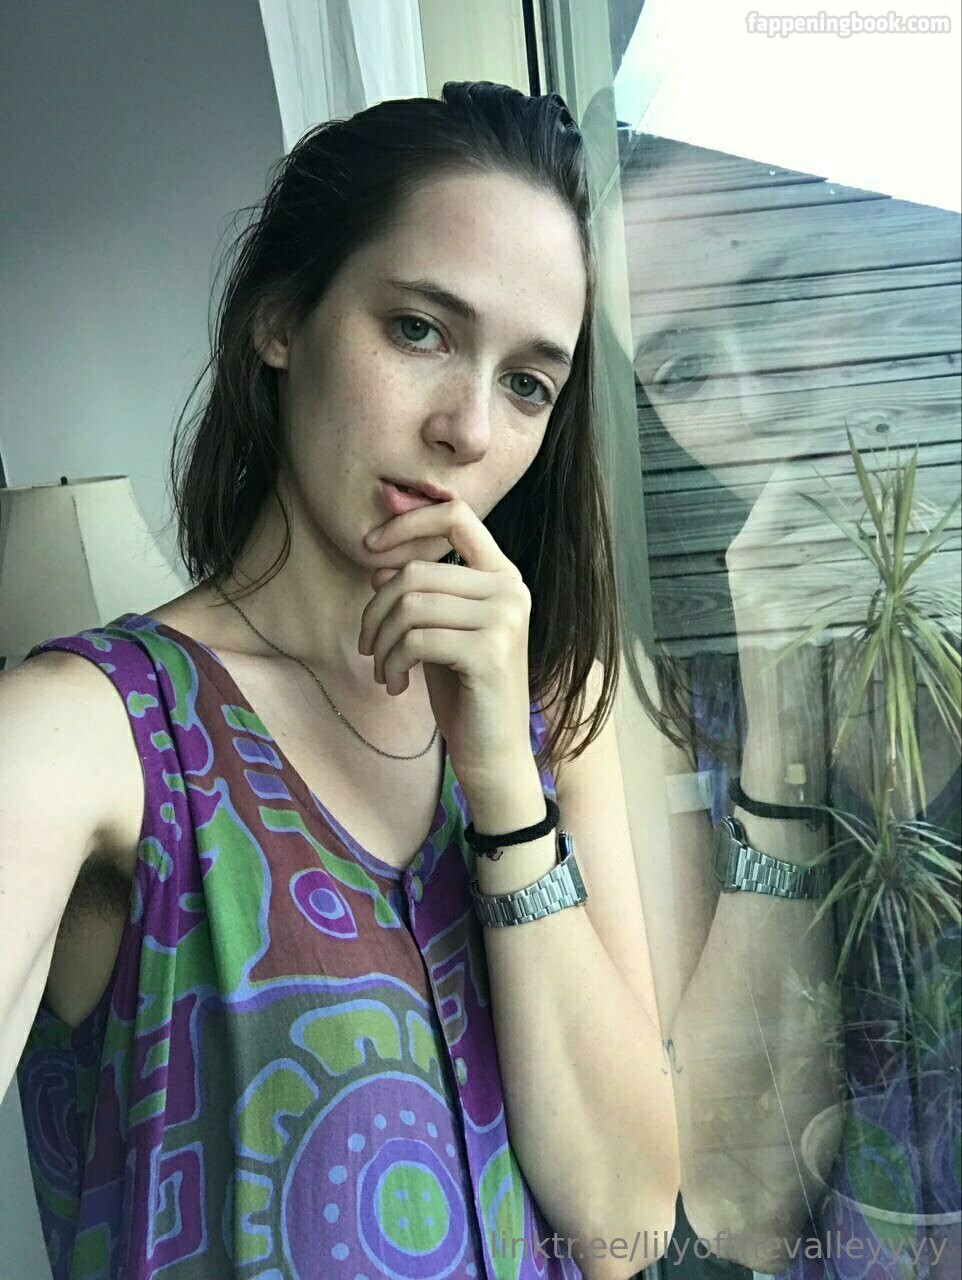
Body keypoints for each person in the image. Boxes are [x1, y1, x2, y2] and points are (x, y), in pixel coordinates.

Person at [0, 83, 679, 1280]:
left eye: (527, 383)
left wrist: (500, 785)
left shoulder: (548, 716)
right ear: (280, 317)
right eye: (418, 329)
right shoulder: (92, 732)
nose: (469, 428)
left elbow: (623, 1220)